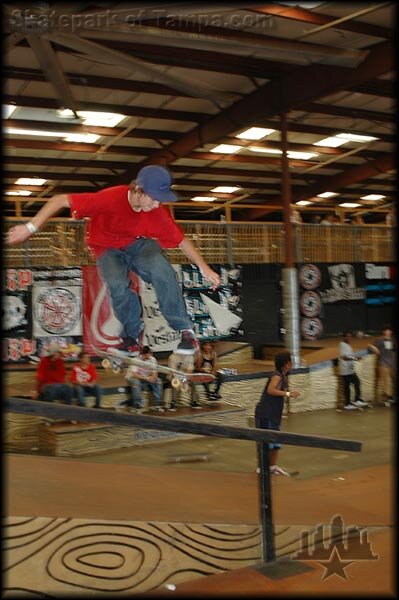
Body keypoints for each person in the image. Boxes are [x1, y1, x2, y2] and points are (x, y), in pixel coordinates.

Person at [5, 165, 221, 356]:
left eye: (160, 200)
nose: (156, 205)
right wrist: (30, 227)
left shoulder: (158, 214)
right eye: (153, 198)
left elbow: (182, 241)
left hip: (138, 245)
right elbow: (59, 199)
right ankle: (130, 338)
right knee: (117, 285)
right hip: (106, 248)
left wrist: (204, 268)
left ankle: (185, 331)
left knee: (161, 270)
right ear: (138, 190)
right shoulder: (109, 198)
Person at [255, 352, 300, 476]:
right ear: (286, 364)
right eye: (290, 362)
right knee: (266, 443)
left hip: (274, 414)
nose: (292, 364)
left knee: (275, 443)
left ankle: (272, 467)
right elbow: (271, 390)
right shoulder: (277, 376)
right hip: (265, 414)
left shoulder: (283, 376)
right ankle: (261, 468)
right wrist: (288, 394)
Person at [120, 346, 164, 412]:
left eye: (150, 353)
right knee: (136, 382)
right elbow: (134, 374)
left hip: (146, 377)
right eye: (149, 354)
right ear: (144, 354)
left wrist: (153, 377)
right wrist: (147, 378)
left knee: (158, 381)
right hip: (132, 377)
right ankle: (137, 405)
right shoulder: (135, 360)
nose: (150, 355)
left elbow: (155, 372)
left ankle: (157, 404)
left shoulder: (152, 359)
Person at [338, 332, 368, 410]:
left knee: (351, 385)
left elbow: (349, 356)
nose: (349, 338)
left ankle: (351, 402)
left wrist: (356, 357)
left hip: (349, 369)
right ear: (343, 337)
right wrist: (356, 358)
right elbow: (344, 357)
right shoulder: (342, 345)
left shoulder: (347, 345)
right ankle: (352, 402)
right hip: (345, 370)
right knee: (353, 384)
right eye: (347, 337)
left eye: (350, 337)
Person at [368, 325, 396, 405]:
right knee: (385, 381)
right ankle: (387, 398)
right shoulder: (379, 340)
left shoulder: (392, 340)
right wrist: (374, 348)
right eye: (387, 330)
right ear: (384, 332)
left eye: (390, 330)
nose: (388, 332)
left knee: (394, 379)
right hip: (383, 363)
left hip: (392, 363)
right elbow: (370, 347)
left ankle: (392, 396)